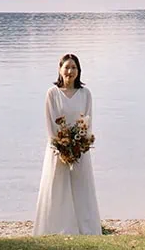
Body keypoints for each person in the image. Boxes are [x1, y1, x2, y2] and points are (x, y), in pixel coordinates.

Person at [33, 53, 102, 235]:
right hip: (58, 149)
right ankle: (55, 228)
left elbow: (87, 121)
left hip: (80, 148)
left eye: (73, 68)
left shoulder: (85, 94)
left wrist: (80, 146)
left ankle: (85, 229)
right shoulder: (52, 93)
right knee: (57, 188)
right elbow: (50, 123)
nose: (70, 71)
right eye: (67, 67)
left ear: (78, 71)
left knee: (82, 188)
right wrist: (60, 147)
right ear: (60, 69)